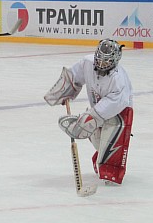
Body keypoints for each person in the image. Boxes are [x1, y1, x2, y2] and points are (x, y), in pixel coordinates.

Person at [43, 39, 134, 185]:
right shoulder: (87, 62)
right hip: (97, 107)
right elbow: (74, 76)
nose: (101, 64)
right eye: (99, 59)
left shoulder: (118, 79)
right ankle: (100, 157)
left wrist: (91, 117)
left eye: (106, 61)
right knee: (98, 141)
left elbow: (116, 103)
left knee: (112, 145)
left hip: (120, 113)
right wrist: (65, 89)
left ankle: (111, 173)